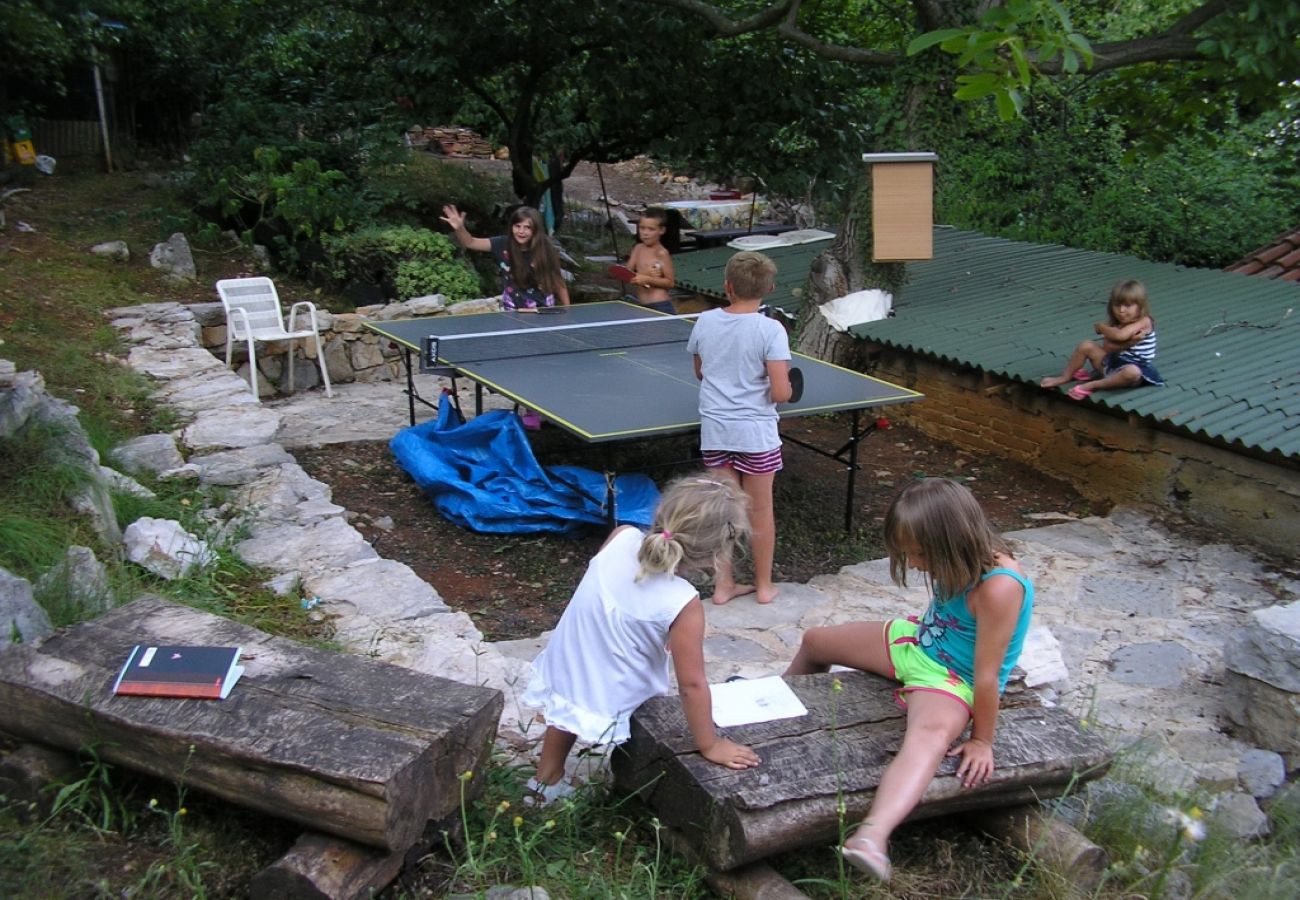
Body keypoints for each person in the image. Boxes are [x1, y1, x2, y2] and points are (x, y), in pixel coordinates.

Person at [784, 478, 1033, 882]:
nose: (915, 564)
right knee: (816, 641)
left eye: (919, 554)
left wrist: (983, 740)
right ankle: (770, 707)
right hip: (917, 641)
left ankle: (871, 836)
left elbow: (987, 676)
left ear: (952, 542)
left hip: (954, 679)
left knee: (927, 739)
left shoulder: (1001, 587)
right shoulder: (961, 555)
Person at [520, 473, 762, 805]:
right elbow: (692, 684)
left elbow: (611, 597)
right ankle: (638, 789)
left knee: (571, 699)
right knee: (667, 704)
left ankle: (544, 783)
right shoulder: (683, 602)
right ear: (717, 551)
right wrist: (710, 745)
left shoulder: (622, 536)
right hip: (613, 689)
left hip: (569, 665)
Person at [686, 251, 792, 606]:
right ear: (770, 288)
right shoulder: (770, 329)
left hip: (717, 430)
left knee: (724, 509)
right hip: (756, 435)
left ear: (727, 286)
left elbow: (701, 371)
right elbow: (780, 392)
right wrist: (786, 387)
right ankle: (763, 586)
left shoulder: (704, 321)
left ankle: (723, 585)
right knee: (760, 510)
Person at [1039, 279, 1163, 400]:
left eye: (1128, 305)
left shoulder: (1144, 321)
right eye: (1117, 305)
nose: (1121, 310)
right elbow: (1107, 347)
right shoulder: (1117, 324)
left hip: (1136, 370)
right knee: (1086, 345)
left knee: (1132, 372)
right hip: (1114, 364)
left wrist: (1100, 327)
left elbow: (1120, 336)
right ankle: (1065, 377)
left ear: (1140, 306)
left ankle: (1092, 385)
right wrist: (1130, 343)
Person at [439, 204, 571, 310]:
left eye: (527, 228)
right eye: (517, 226)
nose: (521, 231)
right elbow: (470, 242)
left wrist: (568, 311)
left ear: (535, 230)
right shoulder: (502, 244)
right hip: (512, 308)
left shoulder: (545, 250)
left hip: (542, 309)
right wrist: (459, 228)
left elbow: (558, 282)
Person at [626, 208, 676, 314]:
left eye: (651, 229)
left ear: (661, 230)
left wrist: (648, 279)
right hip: (641, 304)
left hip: (660, 305)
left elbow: (670, 283)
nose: (645, 233)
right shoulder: (637, 248)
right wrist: (645, 275)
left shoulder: (662, 253)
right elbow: (626, 275)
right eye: (642, 228)